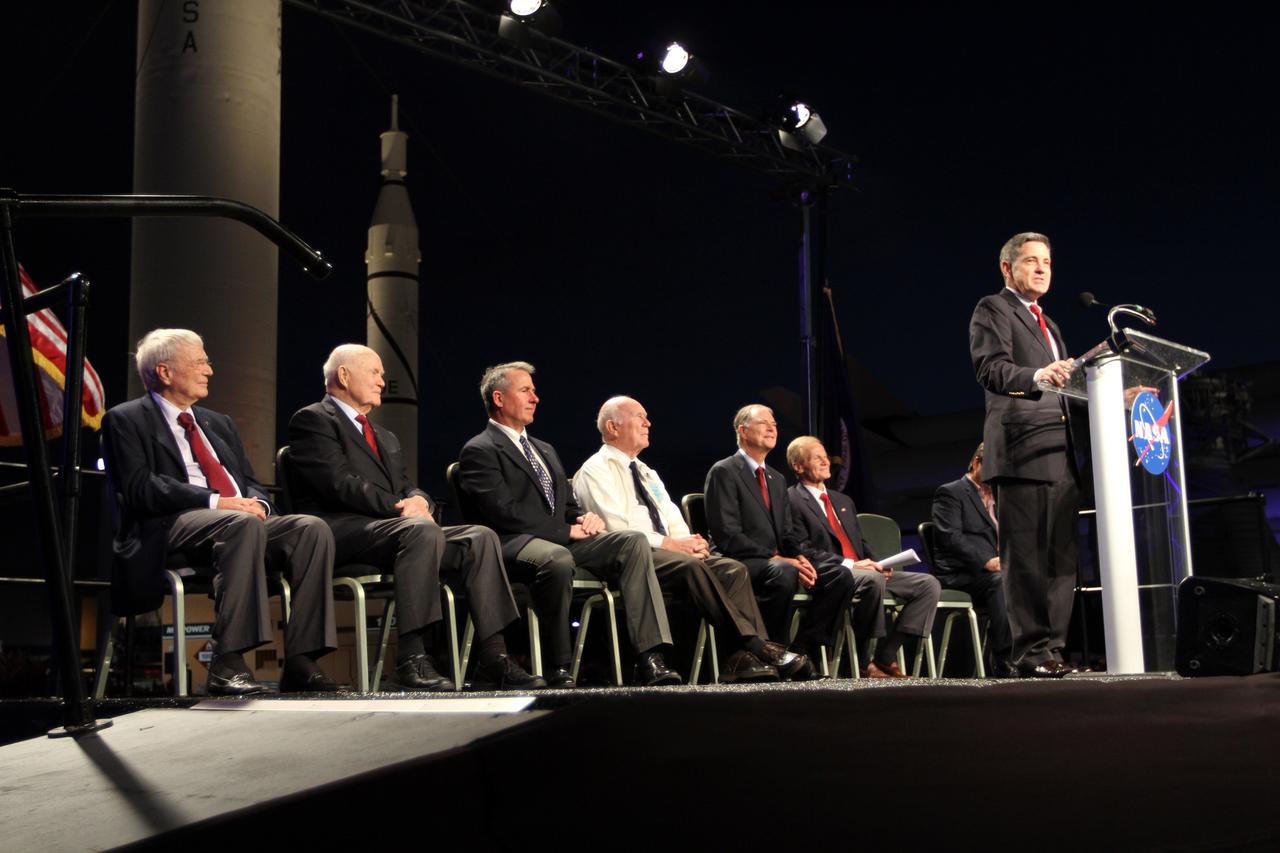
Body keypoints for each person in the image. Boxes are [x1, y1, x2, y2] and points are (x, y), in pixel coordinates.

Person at [287, 344, 543, 691]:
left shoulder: (385, 435)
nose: (382, 381)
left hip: (398, 528)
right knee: (419, 531)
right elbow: (338, 484)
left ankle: (494, 658)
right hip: (342, 531)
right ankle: (412, 658)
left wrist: (420, 502)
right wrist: (401, 507)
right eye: (375, 372)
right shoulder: (313, 420)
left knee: (479, 538)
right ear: (343, 375)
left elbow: (409, 487)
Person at [102, 328, 337, 696]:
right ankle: (227, 662)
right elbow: (140, 488)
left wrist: (258, 502)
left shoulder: (218, 422)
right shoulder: (126, 419)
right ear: (164, 372)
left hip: (237, 519)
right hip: (171, 523)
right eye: (199, 362)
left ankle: (302, 660)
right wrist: (214, 501)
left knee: (311, 528)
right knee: (240, 524)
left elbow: (248, 480)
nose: (209, 370)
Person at [456, 362, 681, 687]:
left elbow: (567, 505)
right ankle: (557, 665)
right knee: (556, 559)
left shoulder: (544, 449)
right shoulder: (480, 450)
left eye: (534, 391)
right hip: (510, 544)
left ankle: (650, 657)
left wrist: (582, 518)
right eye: (525, 391)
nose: (536, 398)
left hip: (559, 541)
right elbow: (502, 512)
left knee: (631, 541)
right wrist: (565, 531)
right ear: (499, 398)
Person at [573, 396, 814, 682]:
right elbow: (616, 527)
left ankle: (739, 661)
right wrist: (674, 546)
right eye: (639, 416)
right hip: (633, 556)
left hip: (669, 554)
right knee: (691, 567)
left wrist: (690, 542)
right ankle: (758, 646)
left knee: (731, 569)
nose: (648, 423)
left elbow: (671, 517)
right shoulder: (596, 469)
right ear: (613, 427)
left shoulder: (647, 472)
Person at [969, 231, 1084, 678]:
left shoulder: (1050, 325)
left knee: (1060, 558)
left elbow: (1066, 387)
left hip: (1061, 451)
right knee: (1028, 558)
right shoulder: (993, 308)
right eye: (1032, 261)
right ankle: (1029, 653)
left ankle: (1053, 650)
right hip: (1021, 450)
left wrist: (1118, 396)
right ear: (1007, 268)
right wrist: (1038, 375)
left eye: (1048, 263)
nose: (1041, 269)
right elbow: (990, 368)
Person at [703, 404, 861, 667]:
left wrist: (799, 557)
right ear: (742, 430)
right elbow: (727, 535)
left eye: (774, 424)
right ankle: (772, 652)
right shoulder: (724, 471)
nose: (771, 428)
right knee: (783, 573)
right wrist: (778, 558)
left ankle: (802, 647)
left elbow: (787, 533)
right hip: (740, 560)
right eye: (764, 422)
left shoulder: (776, 479)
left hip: (777, 561)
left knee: (839, 575)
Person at [786, 436, 941, 678]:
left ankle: (885, 656)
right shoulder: (792, 500)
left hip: (865, 570)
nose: (826, 461)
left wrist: (879, 562)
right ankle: (862, 660)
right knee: (872, 580)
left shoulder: (842, 500)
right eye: (817, 457)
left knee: (928, 585)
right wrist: (851, 564)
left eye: (825, 455)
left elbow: (860, 542)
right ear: (798, 466)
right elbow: (802, 548)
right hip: (831, 573)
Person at [930, 442, 1013, 677]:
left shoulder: (998, 496)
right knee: (1000, 581)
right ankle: (1003, 658)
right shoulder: (951, 492)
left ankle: (1036, 654)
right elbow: (950, 537)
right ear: (977, 462)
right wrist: (986, 561)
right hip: (962, 573)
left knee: (1031, 577)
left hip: (994, 570)